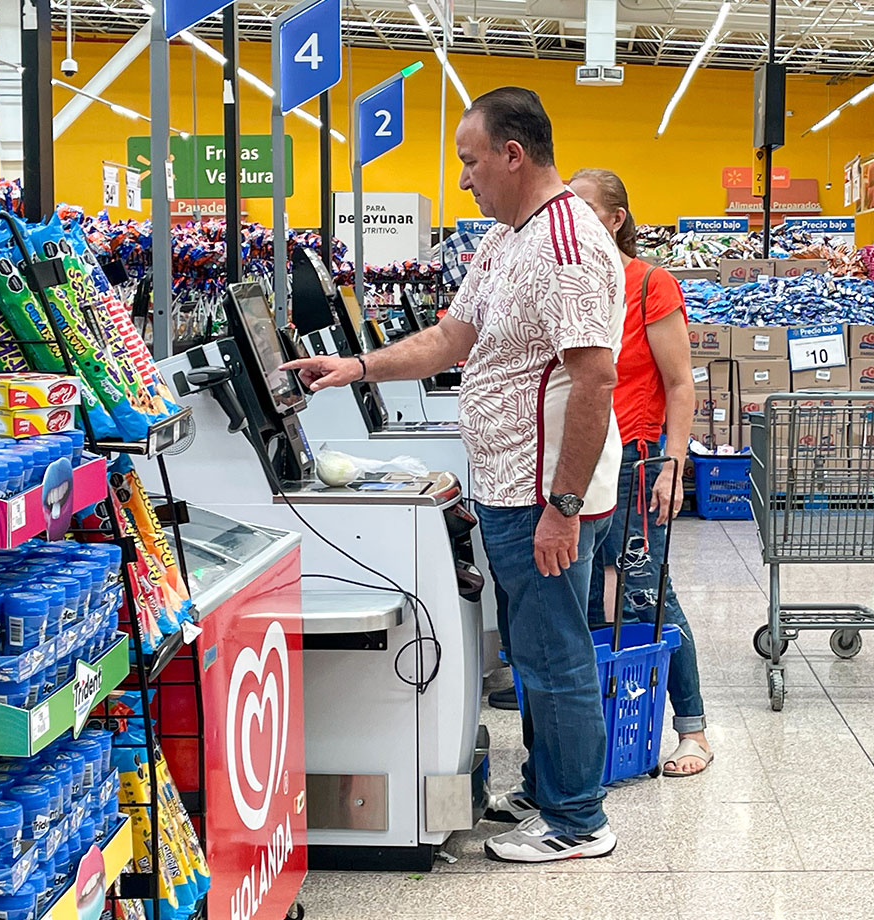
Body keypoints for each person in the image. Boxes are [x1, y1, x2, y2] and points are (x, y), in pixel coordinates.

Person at [281, 87, 626, 863]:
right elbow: (451, 336)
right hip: (508, 486)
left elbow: (595, 380)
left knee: (556, 653)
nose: (464, 177)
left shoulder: (568, 246)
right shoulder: (509, 241)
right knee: (537, 651)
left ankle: (579, 822)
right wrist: (357, 366)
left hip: (544, 493)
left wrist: (563, 507)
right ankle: (549, 790)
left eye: (471, 161)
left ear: (513, 153)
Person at [568, 169, 713, 777]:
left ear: (617, 218)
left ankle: (693, 729)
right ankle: (611, 721)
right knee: (583, 599)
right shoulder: (572, 286)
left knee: (646, 591)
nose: (571, 223)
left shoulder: (650, 283)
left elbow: (681, 385)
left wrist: (671, 466)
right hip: (575, 461)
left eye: (584, 210)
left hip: (634, 455)